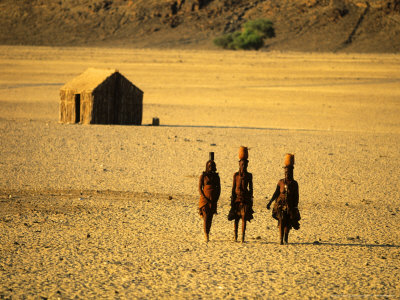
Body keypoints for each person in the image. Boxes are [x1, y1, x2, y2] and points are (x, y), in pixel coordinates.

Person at [266, 153, 300, 230]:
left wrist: (295, 207)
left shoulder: (294, 183)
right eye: (285, 173)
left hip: (290, 205)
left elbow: (296, 196)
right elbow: (276, 193)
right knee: (277, 215)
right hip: (281, 204)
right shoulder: (281, 182)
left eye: (288, 173)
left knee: (294, 218)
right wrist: (270, 202)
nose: (287, 174)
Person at [198, 152, 221, 242]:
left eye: (212, 165)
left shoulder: (216, 177)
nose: (211, 167)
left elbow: (219, 188)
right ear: (207, 166)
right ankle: (206, 235)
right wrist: (204, 197)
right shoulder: (203, 176)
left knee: (210, 218)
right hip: (205, 200)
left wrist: (216, 199)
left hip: (213, 200)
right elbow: (200, 188)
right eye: (209, 165)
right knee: (206, 217)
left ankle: (208, 231)